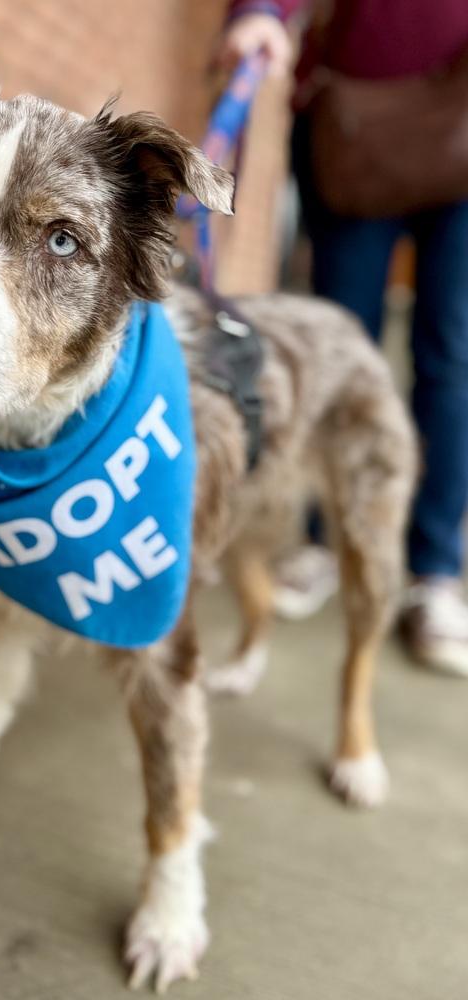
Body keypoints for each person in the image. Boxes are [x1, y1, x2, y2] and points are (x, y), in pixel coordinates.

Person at [217, 0, 468, 676]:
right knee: (334, 339)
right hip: (352, 124)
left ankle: (434, 570)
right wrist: (263, 10)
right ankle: (323, 542)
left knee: (452, 354)